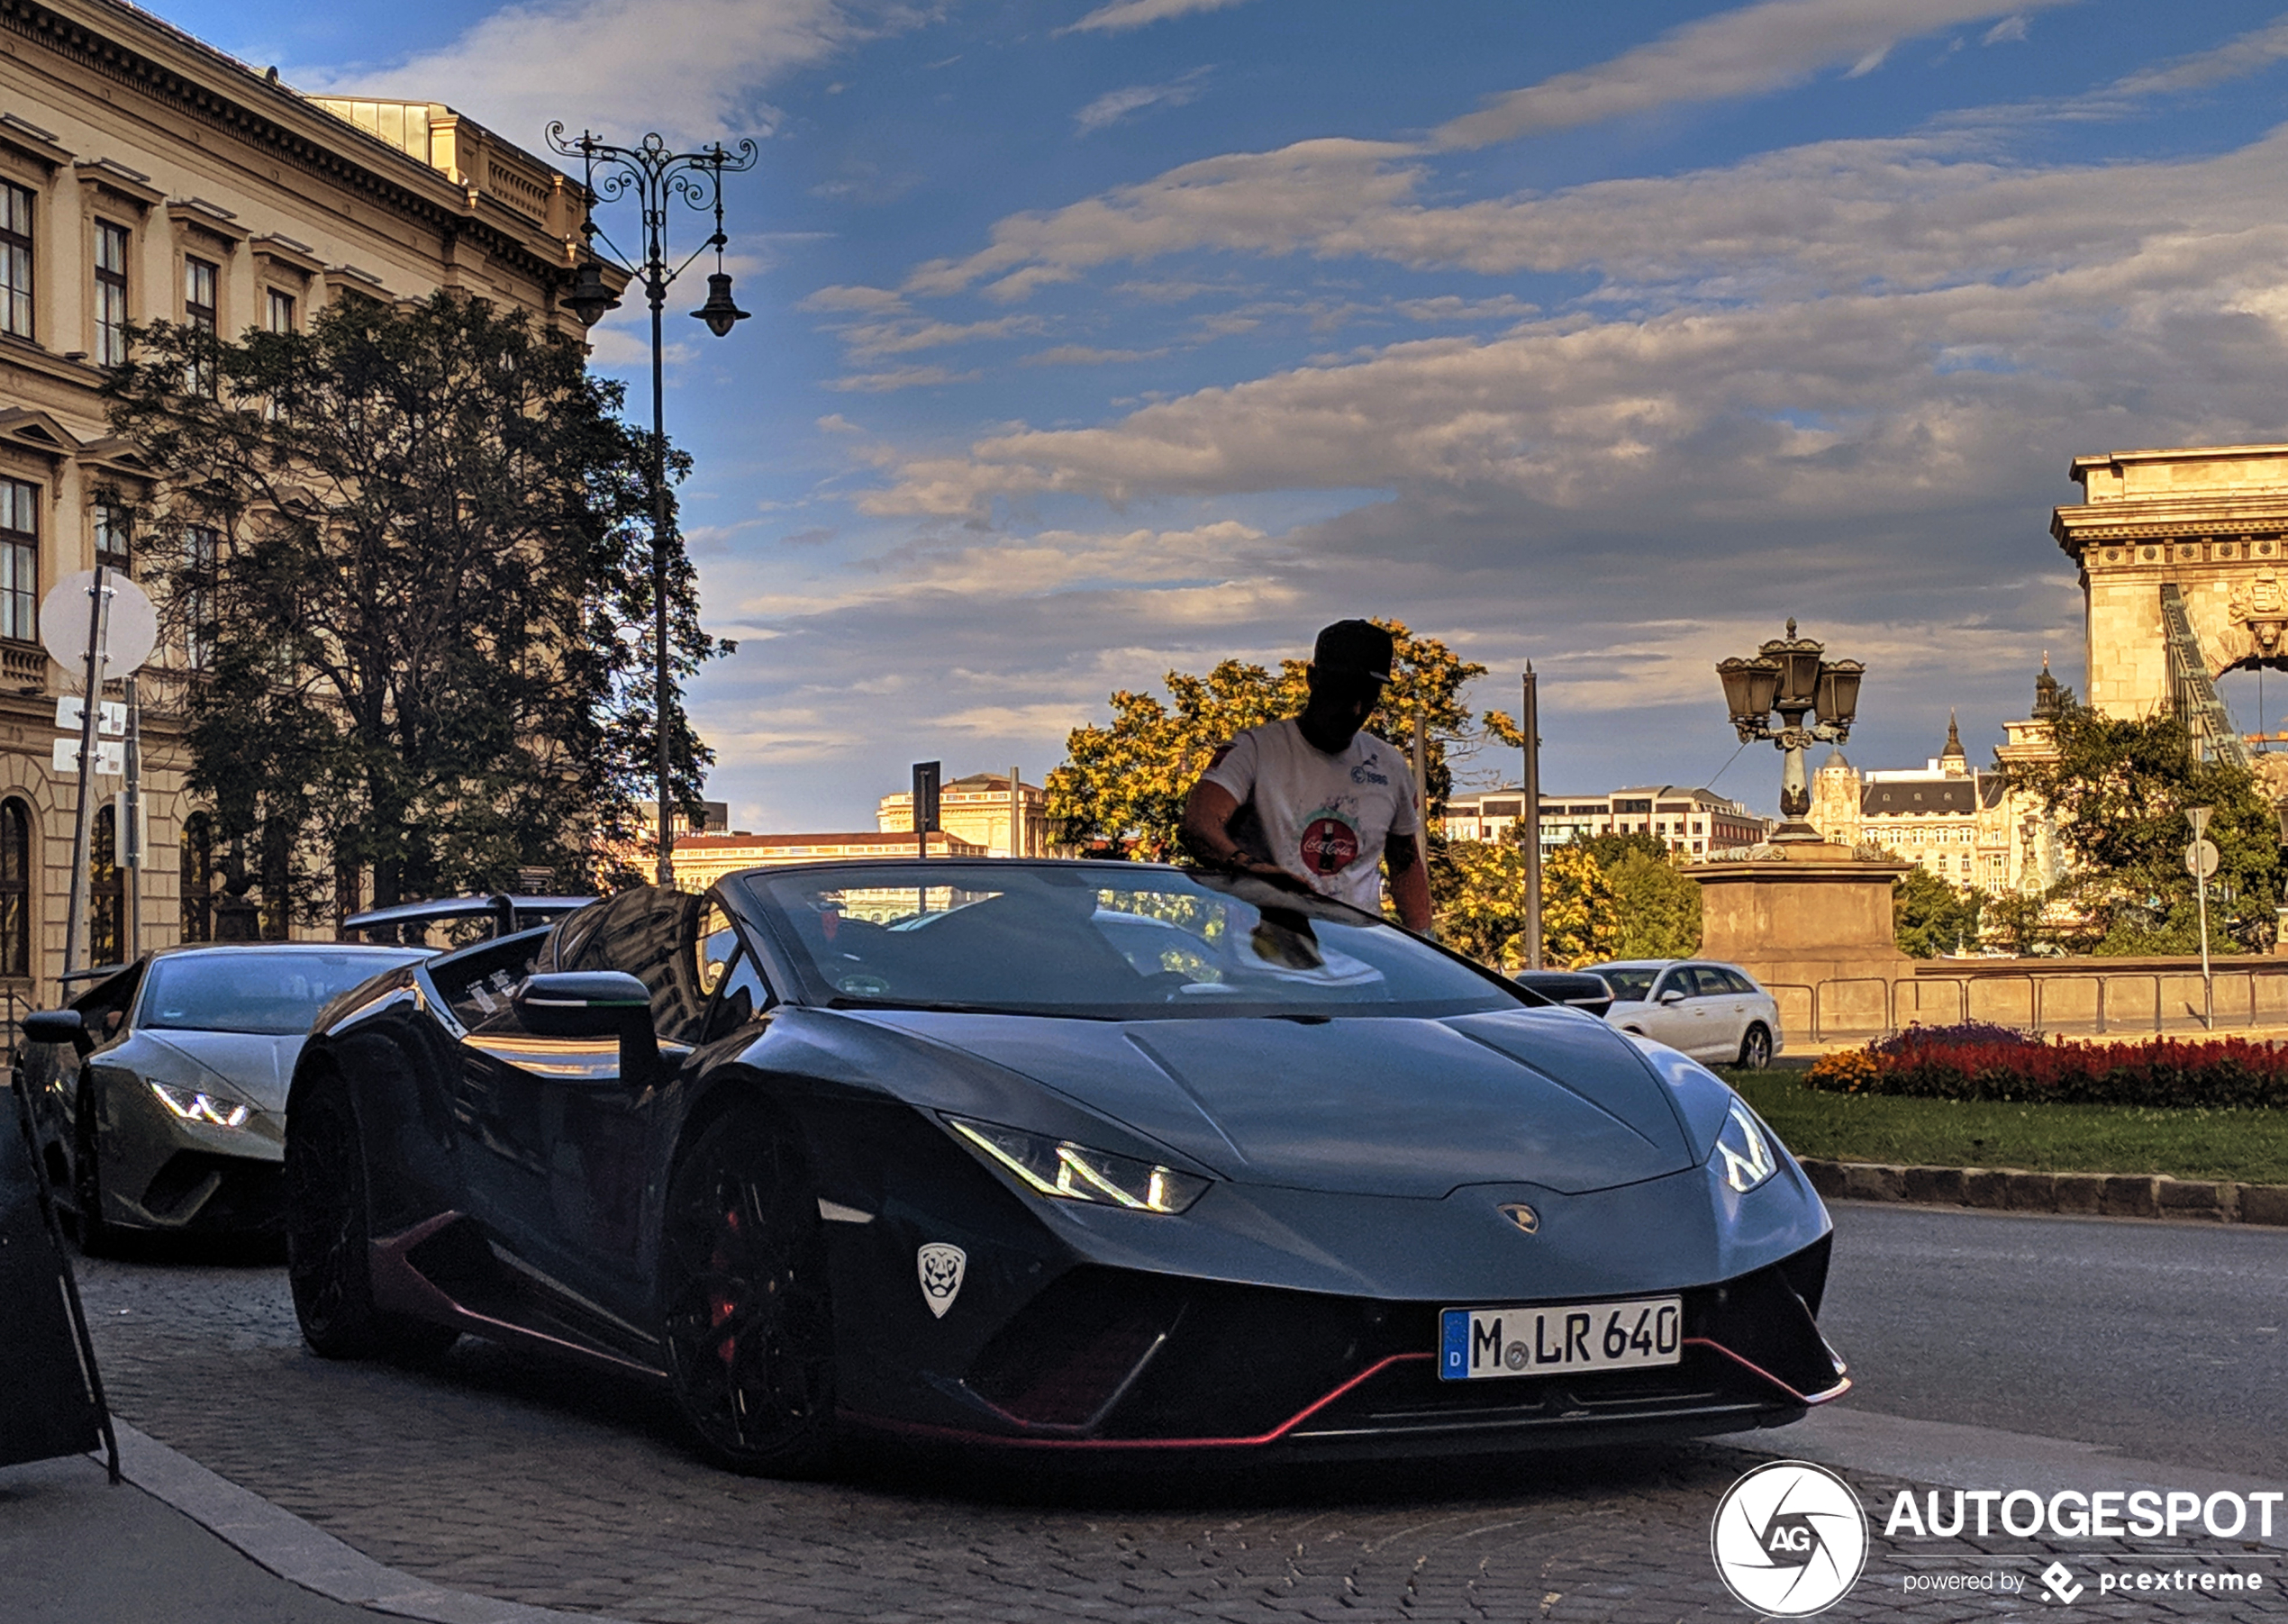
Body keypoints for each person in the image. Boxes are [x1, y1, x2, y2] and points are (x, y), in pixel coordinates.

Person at [1180, 620, 1433, 931]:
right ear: (1312, 679)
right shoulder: (1256, 750)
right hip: (1263, 965)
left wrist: (1424, 939)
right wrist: (1248, 868)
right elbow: (1198, 826)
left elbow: (1406, 862)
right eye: (1342, 692)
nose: (1355, 710)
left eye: (1368, 696)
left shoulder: (1389, 765)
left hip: (1358, 963)